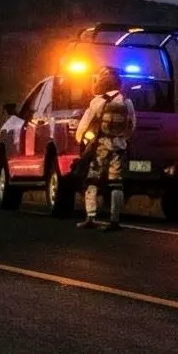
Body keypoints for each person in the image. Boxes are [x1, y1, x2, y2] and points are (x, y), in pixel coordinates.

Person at [75, 66, 136, 232]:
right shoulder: (126, 101)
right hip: (119, 147)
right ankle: (115, 220)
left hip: (100, 147)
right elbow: (132, 125)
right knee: (116, 183)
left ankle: (91, 217)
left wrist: (81, 141)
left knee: (92, 180)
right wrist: (123, 139)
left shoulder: (97, 101)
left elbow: (84, 124)